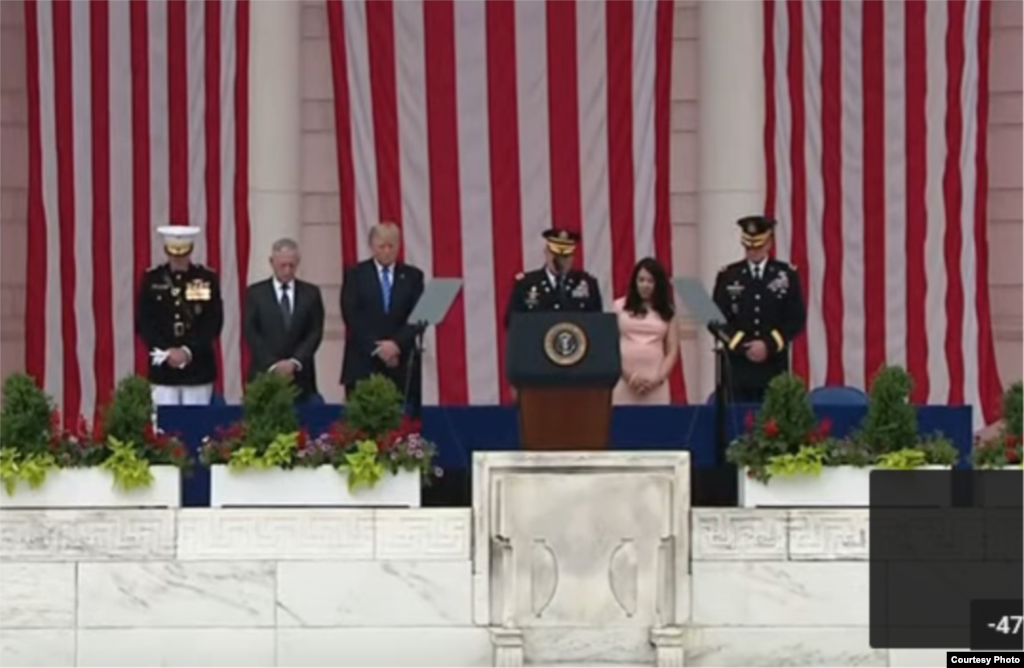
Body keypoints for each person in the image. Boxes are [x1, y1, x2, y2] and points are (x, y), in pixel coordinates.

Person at [712, 215, 806, 402]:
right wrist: (741, 344)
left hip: (773, 366)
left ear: (769, 243)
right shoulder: (728, 275)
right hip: (737, 368)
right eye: (748, 247)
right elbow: (714, 319)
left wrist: (768, 345)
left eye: (758, 246)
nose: (753, 251)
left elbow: (796, 319)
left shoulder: (786, 275)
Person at [340, 222, 425, 416]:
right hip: (363, 362)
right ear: (372, 246)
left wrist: (396, 344)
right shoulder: (355, 274)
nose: (387, 251)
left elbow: (419, 316)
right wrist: (378, 348)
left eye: (391, 246)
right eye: (382, 246)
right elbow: (352, 315)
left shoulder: (413, 276)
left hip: (400, 364)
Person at [135, 225, 224, 407]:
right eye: (173, 254)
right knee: (163, 428)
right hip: (164, 368)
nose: (177, 259)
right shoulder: (153, 279)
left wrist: (187, 351)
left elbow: (212, 321)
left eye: (182, 254)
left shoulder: (205, 279)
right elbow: (144, 322)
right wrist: (166, 351)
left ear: (190, 250)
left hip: (197, 366)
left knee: (198, 428)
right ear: (166, 251)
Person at [243, 238, 325, 403]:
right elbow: (250, 331)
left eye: (291, 265)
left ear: (298, 262)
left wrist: (294, 362)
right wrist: (273, 364)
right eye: (282, 265)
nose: (287, 271)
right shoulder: (255, 293)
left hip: (301, 379)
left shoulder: (311, 293)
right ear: (272, 262)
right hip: (264, 376)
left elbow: (314, 331)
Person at [612, 257, 680, 405]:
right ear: (634, 282)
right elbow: (610, 346)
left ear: (658, 284)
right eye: (641, 280)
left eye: (650, 281)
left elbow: (672, 350)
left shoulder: (668, 311)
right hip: (624, 380)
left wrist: (659, 378)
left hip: (656, 382)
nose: (645, 285)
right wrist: (628, 376)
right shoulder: (618, 307)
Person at [504, 228, 603, 328]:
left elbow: (597, 324)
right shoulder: (527, 284)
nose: (560, 261)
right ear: (546, 252)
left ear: (573, 256)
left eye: (565, 256)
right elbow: (512, 323)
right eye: (555, 255)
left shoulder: (587, 284)